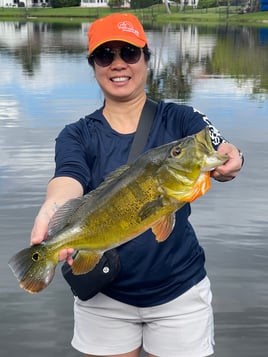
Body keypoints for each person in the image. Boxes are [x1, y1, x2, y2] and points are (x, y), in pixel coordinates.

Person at [31, 13, 244, 357]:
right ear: (94, 65)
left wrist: (235, 159)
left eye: (129, 53)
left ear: (146, 58)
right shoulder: (77, 134)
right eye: (106, 55)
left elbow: (222, 148)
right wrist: (52, 208)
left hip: (180, 295)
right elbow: (67, 178)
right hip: (104, 298)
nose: (118, 64)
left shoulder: (181, 120)